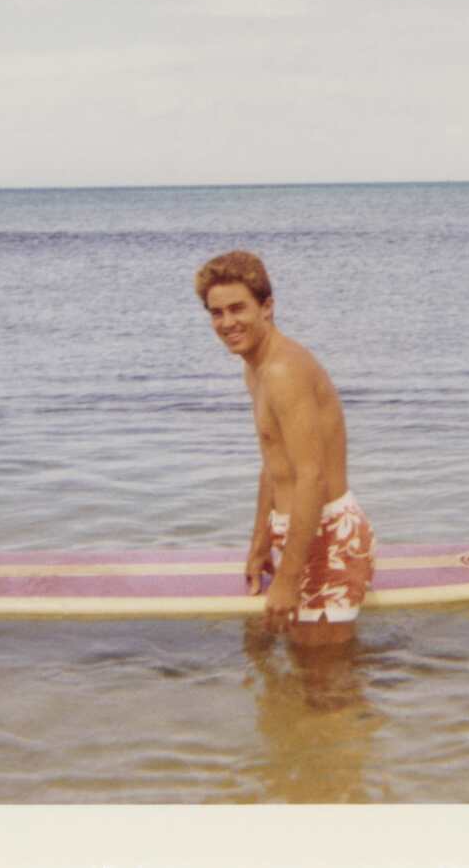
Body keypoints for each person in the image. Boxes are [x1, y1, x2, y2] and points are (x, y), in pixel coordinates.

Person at [194, 251, 375, 646]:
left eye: (237, 308)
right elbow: (274, 465)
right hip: (297, 531)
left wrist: (289, 580)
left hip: (325, 536)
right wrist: (260, 544)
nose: (226, 323)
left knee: (326, 685)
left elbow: (312, 475)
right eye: (216, 313)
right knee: (305, 680)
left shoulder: (283, 370)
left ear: (267, 307)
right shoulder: (255, 366)